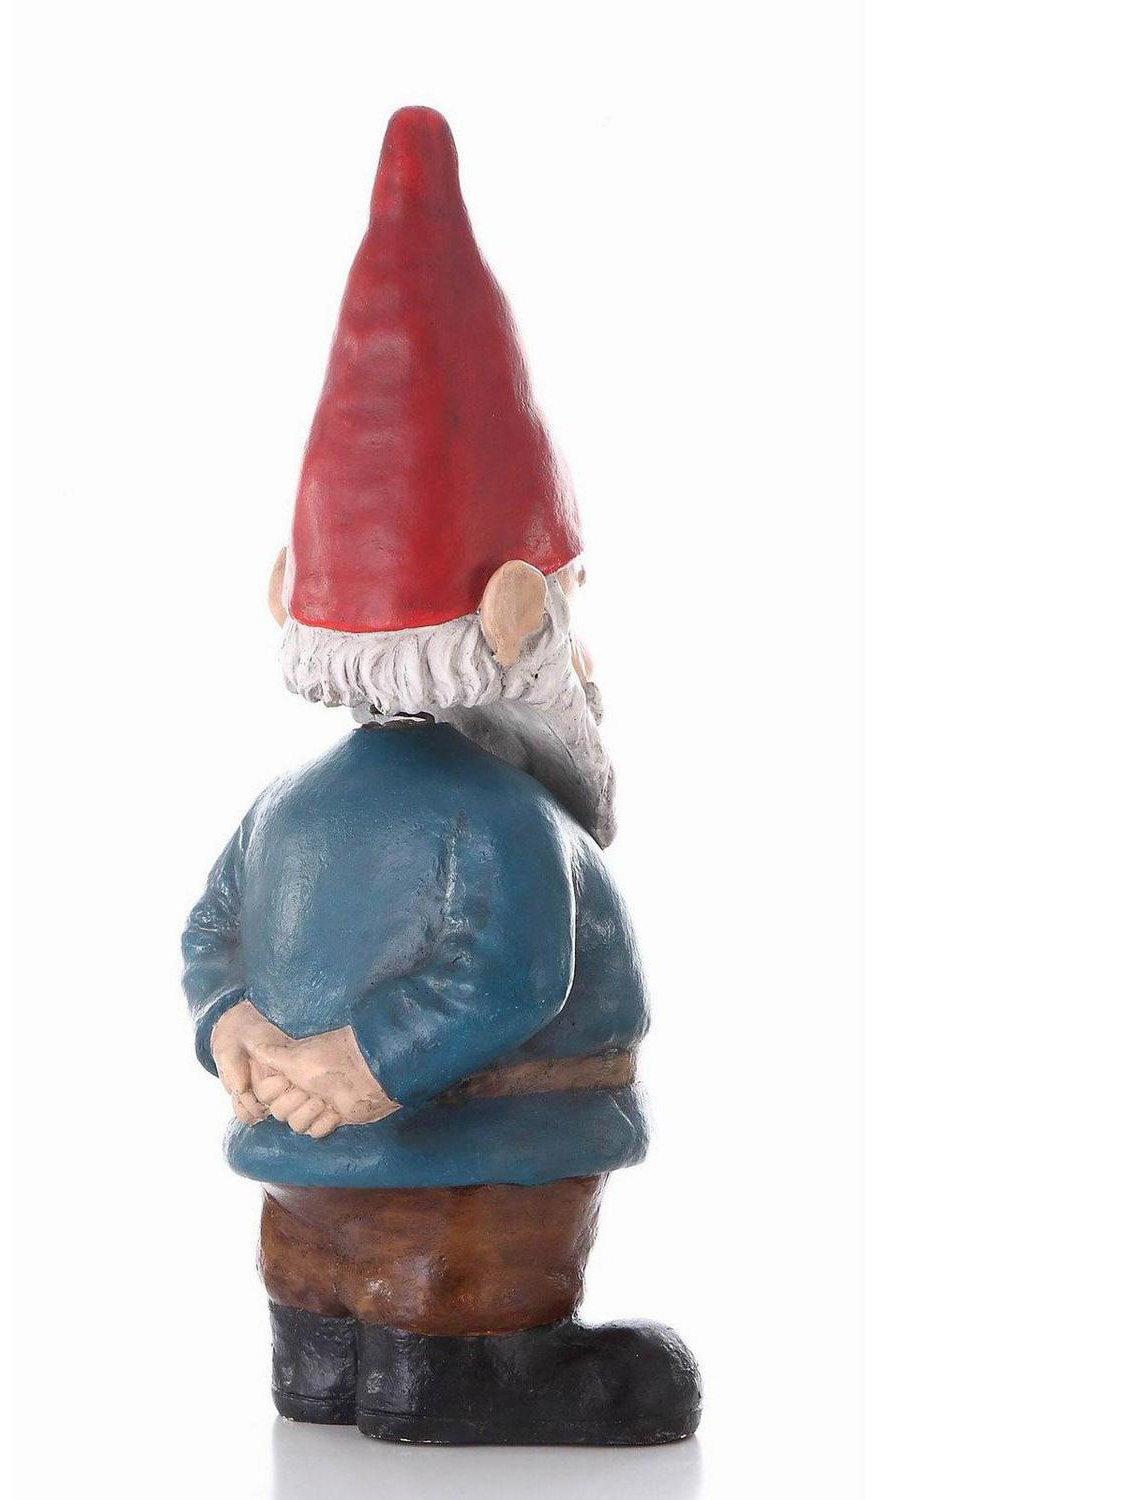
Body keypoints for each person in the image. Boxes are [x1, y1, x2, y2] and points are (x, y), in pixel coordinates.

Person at [182, 106, 700, 1446]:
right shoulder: (507, 816)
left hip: (296, 1179)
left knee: (325, 1305)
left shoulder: (279, 807)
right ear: (525, 615)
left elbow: (208, 932)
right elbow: (509, 980)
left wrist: (237, 1034)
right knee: (460, 1304)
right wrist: (360, 1067)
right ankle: (446, 1375)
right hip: (470, 1171)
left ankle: (320, 1357)